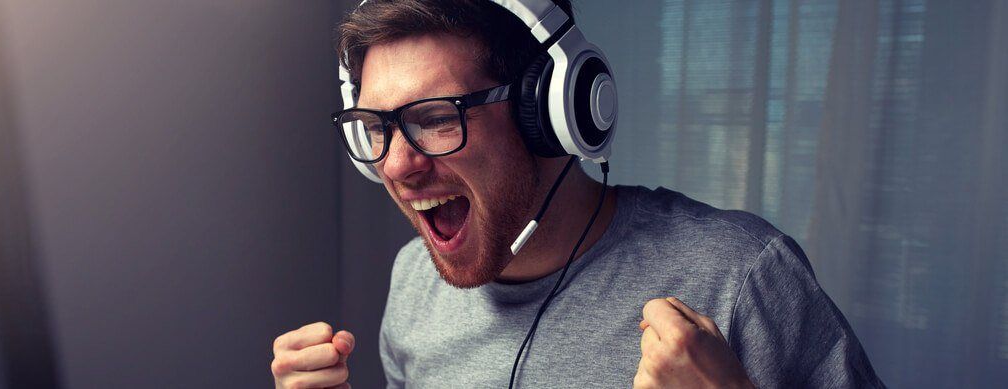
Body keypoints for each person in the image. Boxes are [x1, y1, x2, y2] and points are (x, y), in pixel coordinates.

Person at [271, 1, 884, 388]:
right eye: (376, 128)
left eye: (435, 117)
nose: (397, 165)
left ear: (553, 114)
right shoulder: (413, 282)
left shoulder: (742, 275)